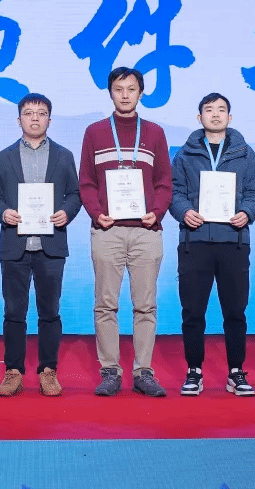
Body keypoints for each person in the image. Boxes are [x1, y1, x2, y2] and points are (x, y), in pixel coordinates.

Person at [78, 67, 172, 397]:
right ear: (110, 93)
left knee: (145, 305)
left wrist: (156, 212)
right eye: (119, 89)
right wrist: (97, 213)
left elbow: (164, 182)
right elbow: (86, 182)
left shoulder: (155, 132)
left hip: (146, 231)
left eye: (131, 89)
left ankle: (143, 371)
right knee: (105, 305)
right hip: (108, 231)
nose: (125, 94)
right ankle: (110, 371)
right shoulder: (95, 132)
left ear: (141, 92)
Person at [169, 93, 255, 397]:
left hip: (233, 241)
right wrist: (184, 211)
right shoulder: (185, 154)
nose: (215, 114)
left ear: (230, 117)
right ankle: (194, 370)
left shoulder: (246, 154)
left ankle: (236, 371)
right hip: (194, 241)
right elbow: (174, 191)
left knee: (235, 311)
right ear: (199, 118)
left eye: (221, 109)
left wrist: (247, 212)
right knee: (192, 311)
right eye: (209, 110)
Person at [0, 93, 82, 397]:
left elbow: (75, 195)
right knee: (14, 312)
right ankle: (13, 371)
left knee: (50, 312)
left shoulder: (63, 156)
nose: (35, 118)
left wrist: (66, 213)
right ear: (19, 120)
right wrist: (4, 212)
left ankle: (48, 371)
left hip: (50, 244)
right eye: (29, 113)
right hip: (15, 244)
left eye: (41, 113)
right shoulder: (3, 157)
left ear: (49, 120)